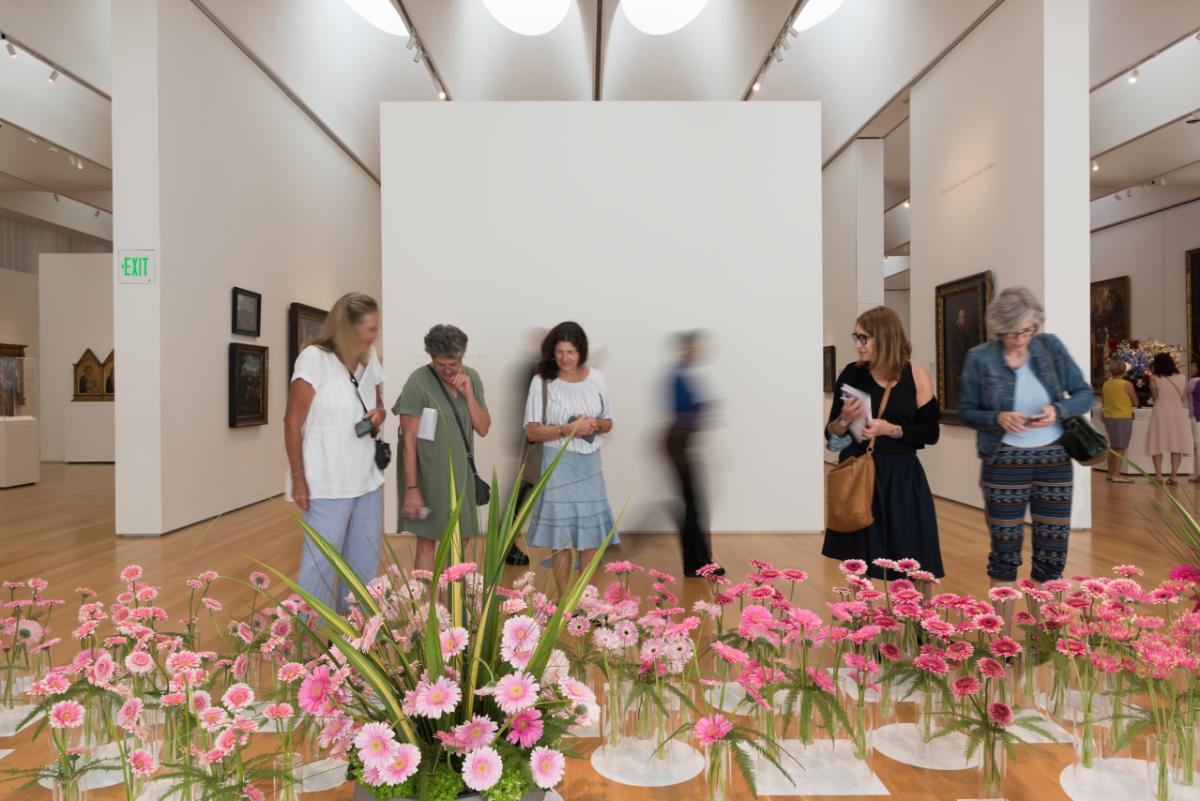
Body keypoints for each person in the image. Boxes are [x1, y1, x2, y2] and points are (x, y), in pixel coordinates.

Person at [959, 286, 1093, 591]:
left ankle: (1042, 636)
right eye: (1011, 333)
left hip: (1055, 462)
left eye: (1027, 331)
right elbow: (966, 411)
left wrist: (1057, 410)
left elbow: (1085, 395)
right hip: (1003, 463)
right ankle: (999, 635)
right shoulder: (980, 358)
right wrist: (996, 418)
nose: (1020, 339)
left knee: (1052, 553)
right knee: (1004, 552)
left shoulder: (1051, 348)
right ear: (998, 329)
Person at [823, 306, 943, 583]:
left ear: (885, 338)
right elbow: (832, 439)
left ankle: (920, 623)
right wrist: (843, 421)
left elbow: (931, 432)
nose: (857, 344)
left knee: (915, 555)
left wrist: (892, 429)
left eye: (863, 338)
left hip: (902, 477)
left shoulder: (917, 376)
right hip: (860, 473)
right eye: (856, 337)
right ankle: (858, 620)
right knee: (858, 561)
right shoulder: (852, 374)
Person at [284, 293, 386, 614]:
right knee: (320, 568)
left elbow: (378, 405)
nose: (375, 335)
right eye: (369, 328)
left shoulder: (370, 359)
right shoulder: (314, 359)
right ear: (347, 327)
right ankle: (308, 644)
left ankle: (356, 642)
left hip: (367, 479)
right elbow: (292, 422)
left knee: (364, 567)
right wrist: (298, 478)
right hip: (327, 482)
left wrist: (379, 414)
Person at [523, 322, 617, 593]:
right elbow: (532, 431)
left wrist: (594, 425)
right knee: (561, 536)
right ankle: (564, 599)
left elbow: (609, 422)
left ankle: (582, 597)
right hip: (556, 463)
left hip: (590, 463)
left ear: (582, 351)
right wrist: (567, 429)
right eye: (559, 351)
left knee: (592, 536)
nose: (564, 358)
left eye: (571, 352)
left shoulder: (597, 378)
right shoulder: (541, 381)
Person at [393, 325, 491, 573]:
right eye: (440, 364)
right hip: (427, 477)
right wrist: (412, 489)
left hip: (461, 475)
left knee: (461, 541)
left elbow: (483, 428)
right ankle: (427, 610)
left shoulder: (472, 378)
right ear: (430, 357)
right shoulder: (418, 382)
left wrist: (469, 395)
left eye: (453, 364)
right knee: (427, 544)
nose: (447, 370)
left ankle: (452, 607)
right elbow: (408, 440)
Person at [664, 331, 720, 578]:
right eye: (693, 348)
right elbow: (685, 412)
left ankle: (699, 563)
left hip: (681, 443)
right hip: (679, 443)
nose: (696, 351)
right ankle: (698, 564)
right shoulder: (681, 375)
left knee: (692, 506)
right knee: (692, 506)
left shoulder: (683, 374)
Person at [1146, 351, 1191, 485]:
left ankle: (1158, 476)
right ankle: (1174, 476)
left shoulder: (1154, 378)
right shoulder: (1182, 377)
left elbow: (1154, 397)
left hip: (1160, 411)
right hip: (1177, 411)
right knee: (1176, 443)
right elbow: (1183, 398)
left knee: (1157, 441)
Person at [1100, 358, 1138, 484]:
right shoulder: (1126, 384)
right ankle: (1117, 474)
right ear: (1124, 371)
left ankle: (1110, 473)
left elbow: (1103, 401)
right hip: (1122, 417)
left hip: (1109, 417)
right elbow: (1135, 402)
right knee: (1121, 447)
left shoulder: (1106, 384)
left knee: (1114, 446)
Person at [1189, 361, 1200, 484]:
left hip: (1197, 416)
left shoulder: (1193, 382)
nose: (1191, 368)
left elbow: (1183, 396)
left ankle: (1199, 474)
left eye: (1193, 365)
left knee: (1198, 445)